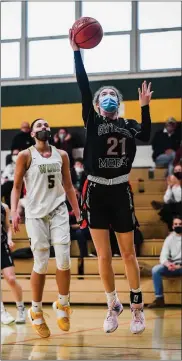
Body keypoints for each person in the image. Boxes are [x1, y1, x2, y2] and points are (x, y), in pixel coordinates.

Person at [69, 30, 153, 334]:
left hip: (120, 190)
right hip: (95, 190)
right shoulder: (92, 121)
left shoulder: (129, 125)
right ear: (96, 103)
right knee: (103, 255)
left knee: (128, 254)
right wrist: (77, 52)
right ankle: (112, 305)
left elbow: (146, 135)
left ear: (118, 102)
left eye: (112, 95)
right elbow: (83, 85)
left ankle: (137, 308)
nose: (107, 97)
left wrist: (144, 107)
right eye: (102, 95)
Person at [11, 118, 80, 338]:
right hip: (35, 215)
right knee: (40, 264)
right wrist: (14, 211)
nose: (44, 128)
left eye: (46, 125)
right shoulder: (25, 155)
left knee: (64, 259)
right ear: (32, 133)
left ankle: (62, 304)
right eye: (39, 126)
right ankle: (36, 310)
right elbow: (16, 187)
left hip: (58, 210)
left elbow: (68, 185)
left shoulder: (63, 155)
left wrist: (77, 211)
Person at [148, 216, 182, 308]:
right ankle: (159, 299)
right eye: (176, 224)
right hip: (172, 266)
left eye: (180, 224)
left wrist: (179, 266)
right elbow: (163, 256)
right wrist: (168, 264)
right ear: (172, 226)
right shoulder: (169, 239)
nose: (178, 226)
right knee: (156, 269)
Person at [1, 202, 26, 325]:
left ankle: (21, 308)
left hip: (2, 246)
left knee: (11, 279)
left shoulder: (3, 207)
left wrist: (9, 239)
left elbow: (7, 227)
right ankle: (2, 311)